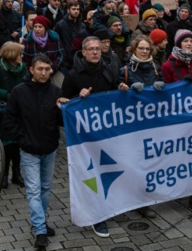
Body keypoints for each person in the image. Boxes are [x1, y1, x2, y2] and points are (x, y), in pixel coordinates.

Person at [3, 54, 68, 249]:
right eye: (40, 69)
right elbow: (9, 121)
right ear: (31, 69)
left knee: (45, 188)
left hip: (49, 149)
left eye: (47, 69)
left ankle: (40, 221)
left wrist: (62, 109)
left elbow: (61, 123)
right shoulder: (19, 92)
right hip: (29, 150)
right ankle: (39, 229)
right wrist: (22, 139)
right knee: (33, 190)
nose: (44, 73)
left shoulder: (55, 91)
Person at [61, 36, 123, 238]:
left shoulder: (109, 69)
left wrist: (122, 88)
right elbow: (64, 106)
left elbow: (115, 91)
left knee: (111, 171)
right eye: (92, 49)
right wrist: (76, 99)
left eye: (98, 48)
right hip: (85, 139)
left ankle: (111, 206)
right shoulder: (72, 76)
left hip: (107, 132)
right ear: (84, 52)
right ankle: (97, 217)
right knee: (92, 176)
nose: (96, 52)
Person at [0, 42, 27, 189]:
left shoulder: (23, 68)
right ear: (12, 55)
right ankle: (4, 175)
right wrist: (6, 94)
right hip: (4, 112)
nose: (22, 56)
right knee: (7, 145)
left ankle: (16, 174)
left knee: (17, 143)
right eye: (20, 53)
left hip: (20, 111)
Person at [22, 15, 64, 80]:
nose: (37, 29)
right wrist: (31, 71)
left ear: (45, 28)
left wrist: (52, 68)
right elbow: (23, 59)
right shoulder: (28, 41)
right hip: (33, 75)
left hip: (52, 72)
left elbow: (61, 55)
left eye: (40, 27)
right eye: (35, 27)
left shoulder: (54, 39)